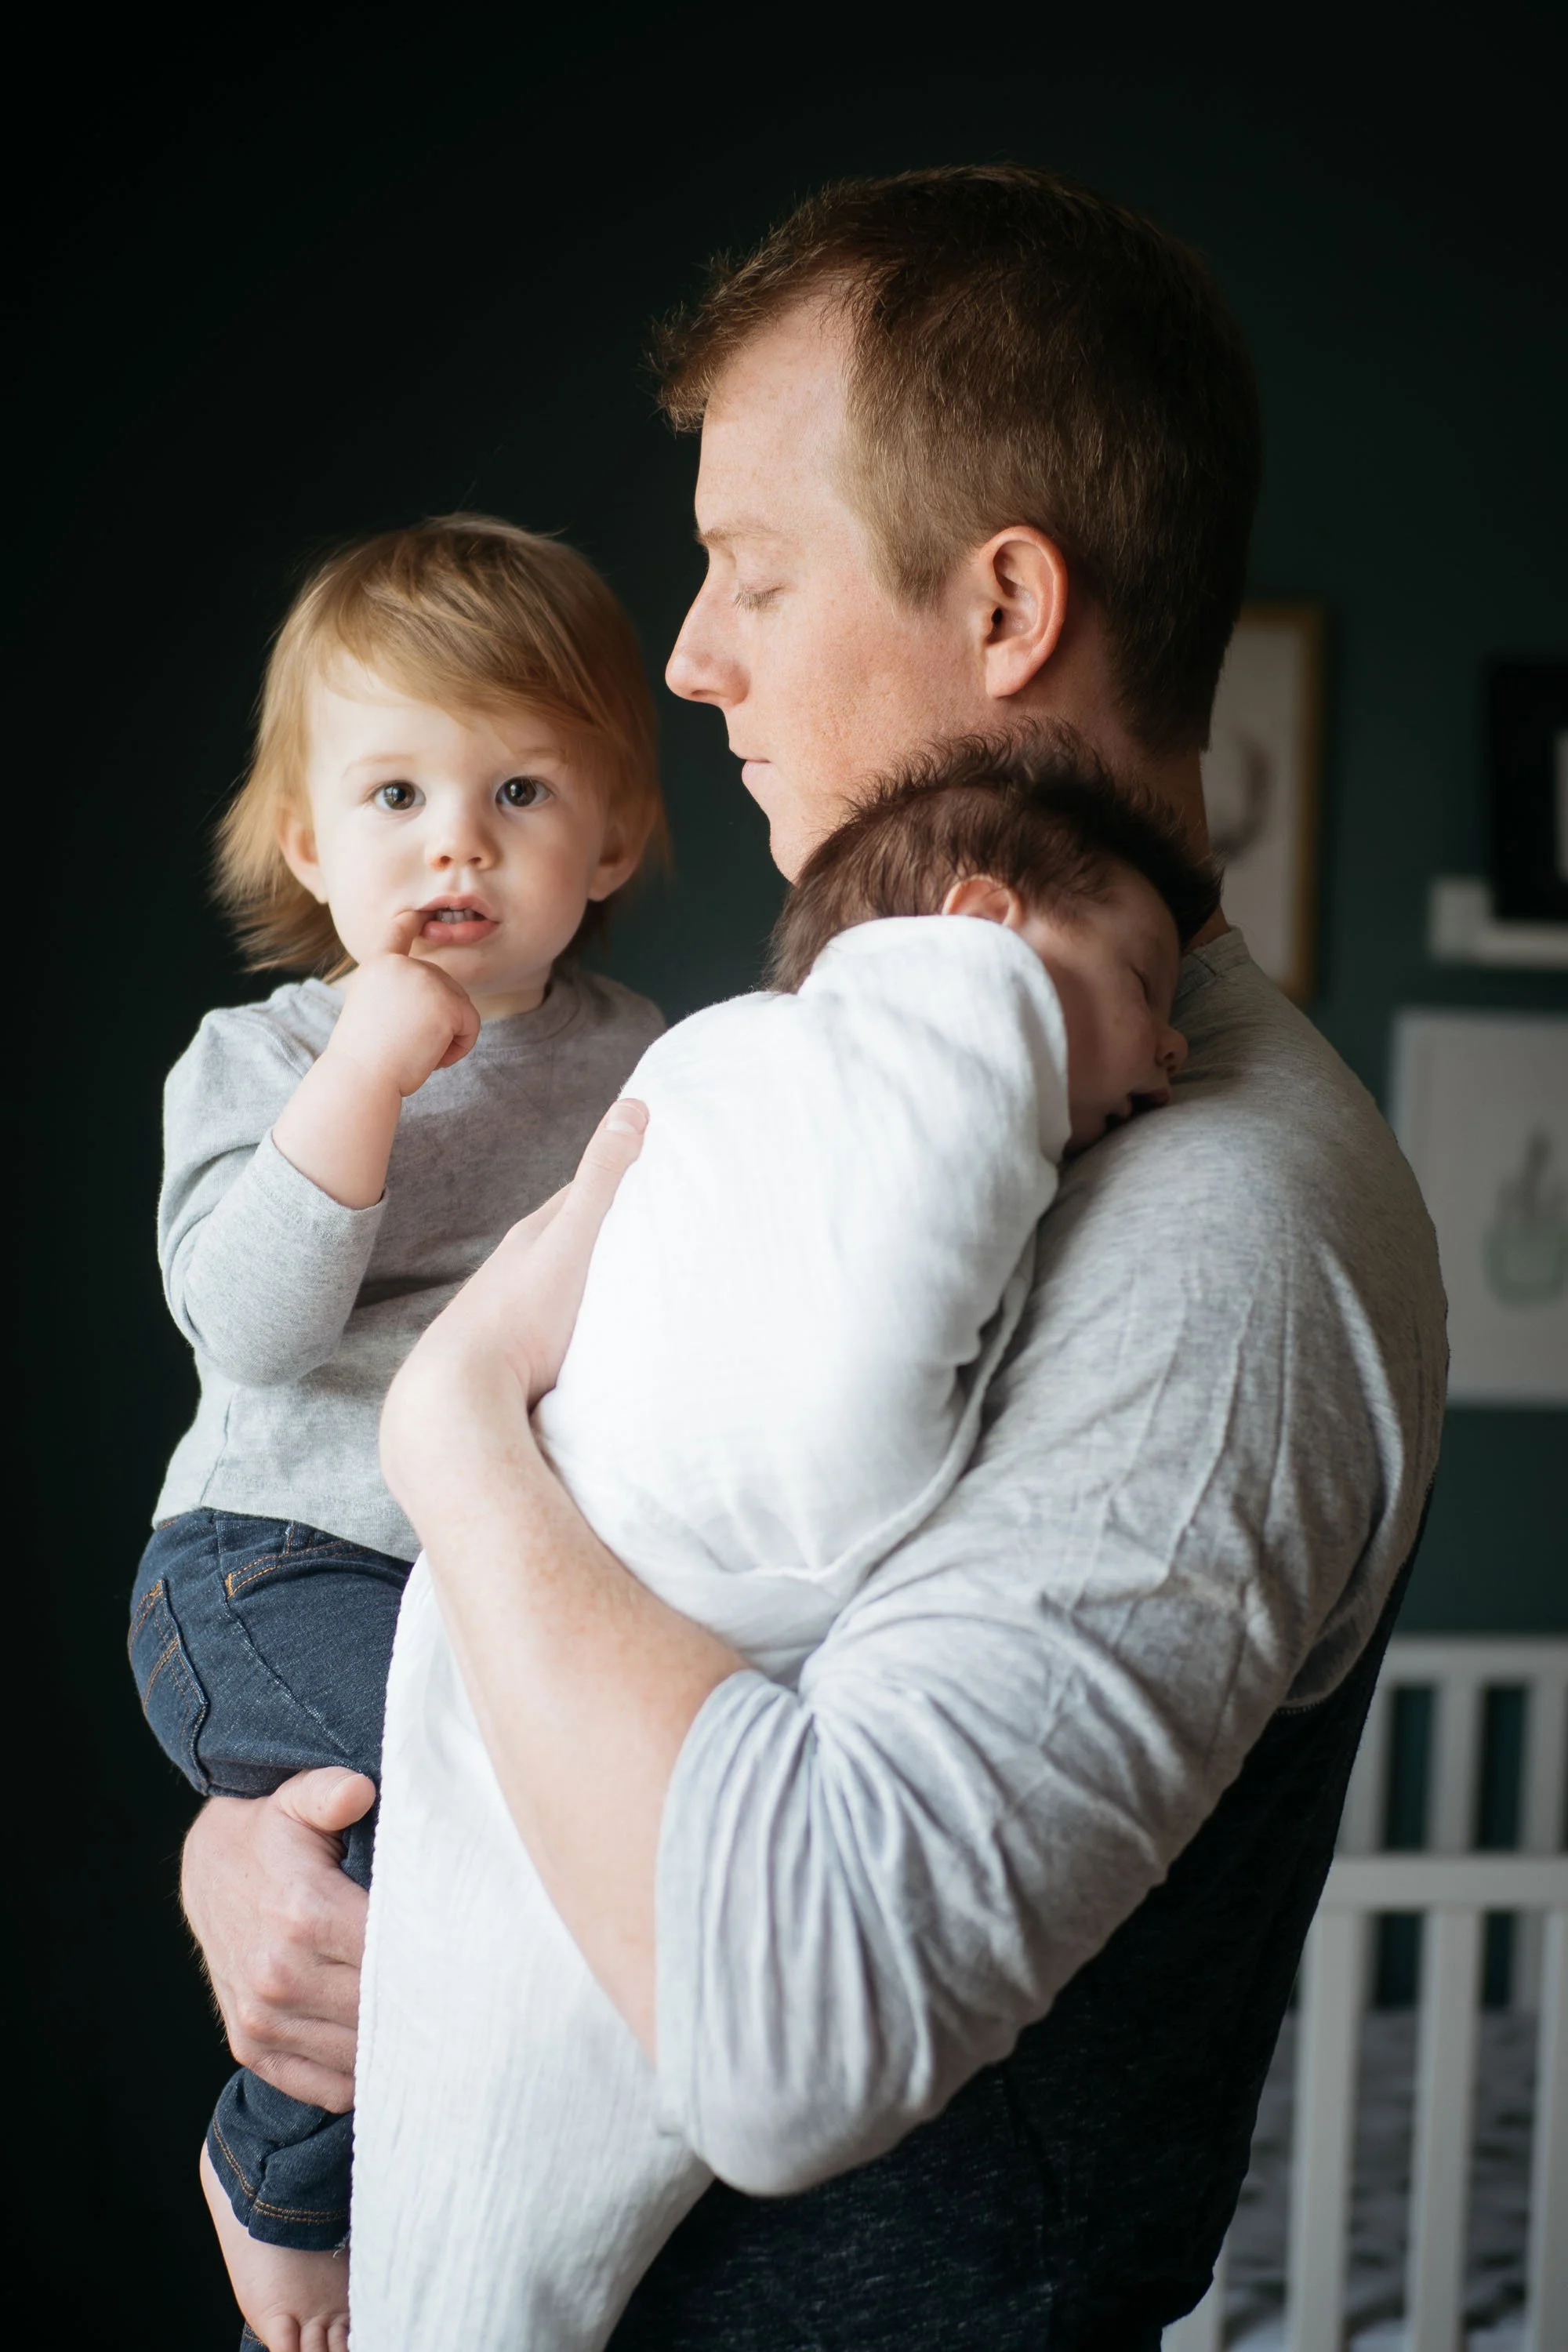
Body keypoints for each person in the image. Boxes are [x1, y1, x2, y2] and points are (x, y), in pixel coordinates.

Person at [180, 167, 1448, 2350]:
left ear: (1008, 609)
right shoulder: (838, 1093)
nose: (689, 659)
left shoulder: (1230, 1216)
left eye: (752, 571)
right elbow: (611, 1648)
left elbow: (789, 2016)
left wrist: (457, 1429)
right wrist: (281, 1876)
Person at [350, 739, 1221, 2350]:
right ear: (976, 929)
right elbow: (827, 1438)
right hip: (643, 1593)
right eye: (1145, 981)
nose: (1174, 1048)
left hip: (519, 1593)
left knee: (457, 2194)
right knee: (488, 2205)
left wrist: (455, 1425)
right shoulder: (934, 1026)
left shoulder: (735, 1062)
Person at [127, 514, 665, 2352]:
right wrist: (371, 1064)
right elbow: (255, 1332)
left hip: (493, 1576)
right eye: (395, 794)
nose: (457, 841)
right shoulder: (261, 1059)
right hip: (269, 1565)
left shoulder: (648, 1060)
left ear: (612, 838)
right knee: (474, 1800)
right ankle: (272, 2167)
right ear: (305, 842)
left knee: (533, 1839)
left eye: (519, 788)